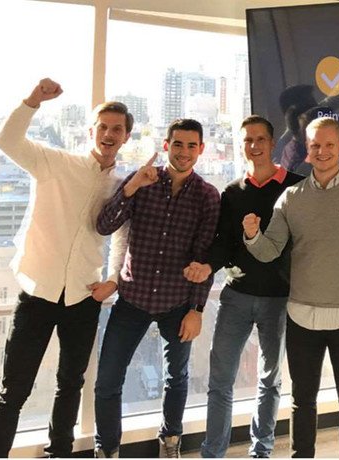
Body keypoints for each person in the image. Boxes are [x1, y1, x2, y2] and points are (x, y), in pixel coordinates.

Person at [0, 78, 129, 458]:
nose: (109, 134)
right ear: (90, 131)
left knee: (70, 385)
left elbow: (122, 237)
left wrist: (113, 280)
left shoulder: (121, 185)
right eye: (103, 127)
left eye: (117, 129)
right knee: (14, 390)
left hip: (83, 296)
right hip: (37, 292)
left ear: (126, 136)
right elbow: (6, 140)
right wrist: (33, 100)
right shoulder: (56, 163)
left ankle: (60, 454)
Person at [244, 117, 339, 458]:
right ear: (307, 148)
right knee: (302, 401)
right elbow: (270, 250)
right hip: (301, 316)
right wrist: (252, 235)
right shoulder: (291, 197)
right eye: (315, 145)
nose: (322, 151)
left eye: (329, 144)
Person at [94, 119, 220, 458]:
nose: (184, 152)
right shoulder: (143, 181)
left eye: (191, 146)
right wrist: (131, 187)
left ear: (201, 150)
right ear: (166, 146)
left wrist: (196, 310)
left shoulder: (207, 196)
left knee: (176, 378)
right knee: (107, 380)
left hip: (176, 302)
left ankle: (170, 441)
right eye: (177, 144)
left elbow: (203, 255)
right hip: (132, 300)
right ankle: (107, 449)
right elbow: (104, 225)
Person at [186, 116, 303, 458]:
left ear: (273, 143)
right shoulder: (232, 192)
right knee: (220, 381)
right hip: (236, 296)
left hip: (279, 299)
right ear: (241, 145)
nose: (254, 145)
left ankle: (261, 451)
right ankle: (213, 452)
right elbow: (223, 243)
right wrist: (208, 266)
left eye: (260, 139)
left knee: (270, 381)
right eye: (248, 140)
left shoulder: (296, 187)